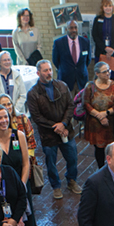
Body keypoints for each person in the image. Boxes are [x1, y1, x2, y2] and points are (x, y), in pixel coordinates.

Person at [27, 59, 81, 200]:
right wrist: (56, 127)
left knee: (73, 158)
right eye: (45, 70)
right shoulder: (33, 94)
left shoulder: (62, 86)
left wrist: (63, 123)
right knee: (51, 163)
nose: (49, 73)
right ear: (38, 73)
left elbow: (70, 106)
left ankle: (71, 180)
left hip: (66, 131)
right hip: (48, 135)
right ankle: (56, 186)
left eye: (50, 69)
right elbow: (36, 117)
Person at [81, 60, 114, 168]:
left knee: (112, 148)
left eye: (108, 71)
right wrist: (99, 115)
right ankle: (101, 168)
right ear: (97, 74)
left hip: (112, 123)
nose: (108, 73)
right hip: (95, 124)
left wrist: (106, 113)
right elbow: (86, 103)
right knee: (99, 149)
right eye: (104, 72)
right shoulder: (90, 86)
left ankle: (112, 167)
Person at [92, 0, 114, 82]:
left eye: (110, 6)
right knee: (101, 77)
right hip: (101, 52)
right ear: (102, 7)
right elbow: (95, 35)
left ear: (113, 7)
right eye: (105, 6)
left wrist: (112, 49)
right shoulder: (97, 19)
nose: (108, 8)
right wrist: (105, 48)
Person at [52, 19, 90, 94]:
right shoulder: (58, 43)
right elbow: (55, 60)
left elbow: (87, 60)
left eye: (75, 27)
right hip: (66, 80)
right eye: (71, 28)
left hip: (81, 80)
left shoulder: (85, 42)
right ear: (66, 29)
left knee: (81, 104)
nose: (74, 30)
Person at [0, 50, 27, 115]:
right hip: (1, 113)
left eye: (9, 60)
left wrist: (14, 110)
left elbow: (23, 95)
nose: (7, 62)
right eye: (4, 60)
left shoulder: (17, 75)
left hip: (18, 112)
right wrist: (4, 110)